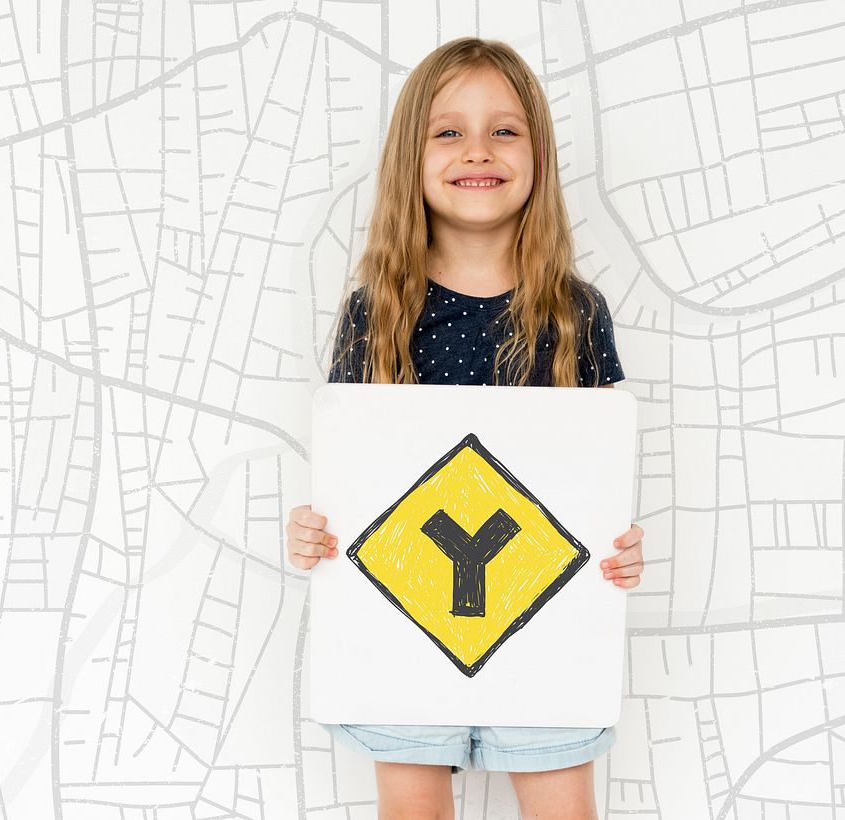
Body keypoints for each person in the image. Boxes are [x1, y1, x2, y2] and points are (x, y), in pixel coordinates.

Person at [285, 37, 645, 820]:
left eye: (504, 130)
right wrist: (317, 529)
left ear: (539, 157)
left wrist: (619, 546)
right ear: (410, 157)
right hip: (402, 625)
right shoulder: (376, 313)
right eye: (447, 132)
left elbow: (600, 468)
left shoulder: (579, 313)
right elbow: (357, 465)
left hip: (548, 629)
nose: (477, 150)